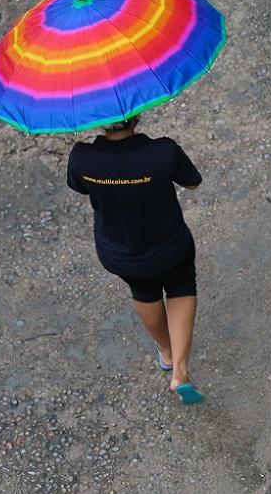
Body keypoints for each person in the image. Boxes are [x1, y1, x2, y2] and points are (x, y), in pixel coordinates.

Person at [66, 115, 205, 404]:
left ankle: (166, 353)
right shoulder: (162, 152)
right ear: (137, 113)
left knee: (143, 291)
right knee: (181, 287)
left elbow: (80, 186)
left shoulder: (81, 158)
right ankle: (179, 370)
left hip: (119, 252)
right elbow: (192, 183)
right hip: (169, 245)